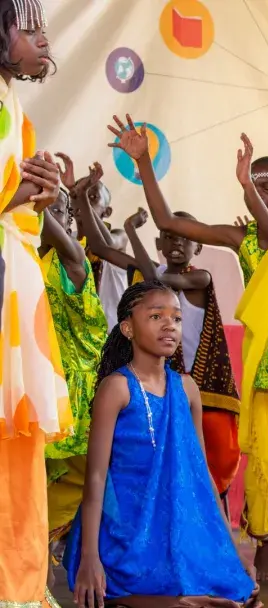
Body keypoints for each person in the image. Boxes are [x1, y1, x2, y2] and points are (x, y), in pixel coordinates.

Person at [108, 116, 268, 580]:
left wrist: (246, 188)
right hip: (266, 366)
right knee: (261, 460)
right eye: (253, 186)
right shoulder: (241, 238)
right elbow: (167, 221)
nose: (260, 194)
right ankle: (262, 545)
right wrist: (142, 163)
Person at [63, 281, 257, 608]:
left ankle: (182, 598)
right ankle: (176, 601)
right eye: (156, 316)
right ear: (127, 328)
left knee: (239, 585)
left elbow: (201, 474)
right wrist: (89, 559)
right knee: (132, 581)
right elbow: (95, 478)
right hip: (126, 529)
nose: (170, 325)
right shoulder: (117, 388)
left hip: (174, 525)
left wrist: (233, 551)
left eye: (177, 319)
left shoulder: (188, 388)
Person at [96, 202, 243, 508]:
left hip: (207, 389)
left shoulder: (200, 277)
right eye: (169, 236)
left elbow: (155, 281)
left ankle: (219, 541)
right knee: (176, 467)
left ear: (198, 247)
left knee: (214, 468)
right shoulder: (153, 270)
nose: (177, 243)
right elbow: (99, 247)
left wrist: (131, 230)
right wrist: (85, 199)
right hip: (171, 388)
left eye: (184, 238)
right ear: (159, 244)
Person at [0, 2, 69, 606]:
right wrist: (19, 189)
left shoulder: (12, 104)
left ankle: (18, 587)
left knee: (16, 446)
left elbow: (15, 207)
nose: (42, 35)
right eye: (27, 24)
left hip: (14, 283)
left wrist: (36, 194)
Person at [39, 186, 109, 545]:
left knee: (63, 489)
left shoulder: (72, 258)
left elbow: (41, 220)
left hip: (75, 397)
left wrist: (26, 194)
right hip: (32, 391)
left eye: (60, 210)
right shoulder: (17, 255)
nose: (51, 214)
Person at [56, 153, 129, 331]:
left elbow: (106, 246)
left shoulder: (119, 236)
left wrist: (79, 193)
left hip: (112, 336)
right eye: (80, 196)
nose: (84, 201)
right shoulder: (66, 240)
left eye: (93, 197)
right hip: (77, 337)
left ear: (107, 211)